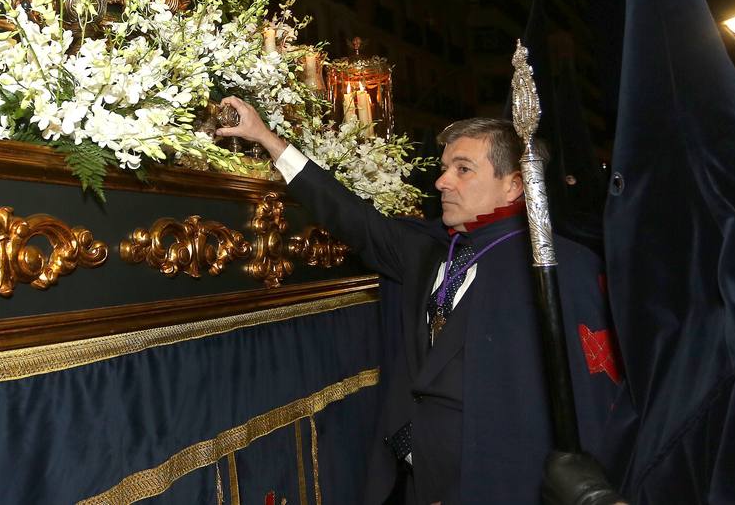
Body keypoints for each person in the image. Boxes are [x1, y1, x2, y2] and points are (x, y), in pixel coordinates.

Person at [217, 98, 625, 504]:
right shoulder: (431, 249)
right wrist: (267, 139)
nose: (443, 182)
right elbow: (352, 217)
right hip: (417, 483)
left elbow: (588, 407)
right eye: (445, 168)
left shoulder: (558, 270)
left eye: (463, 170)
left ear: (515, 184)